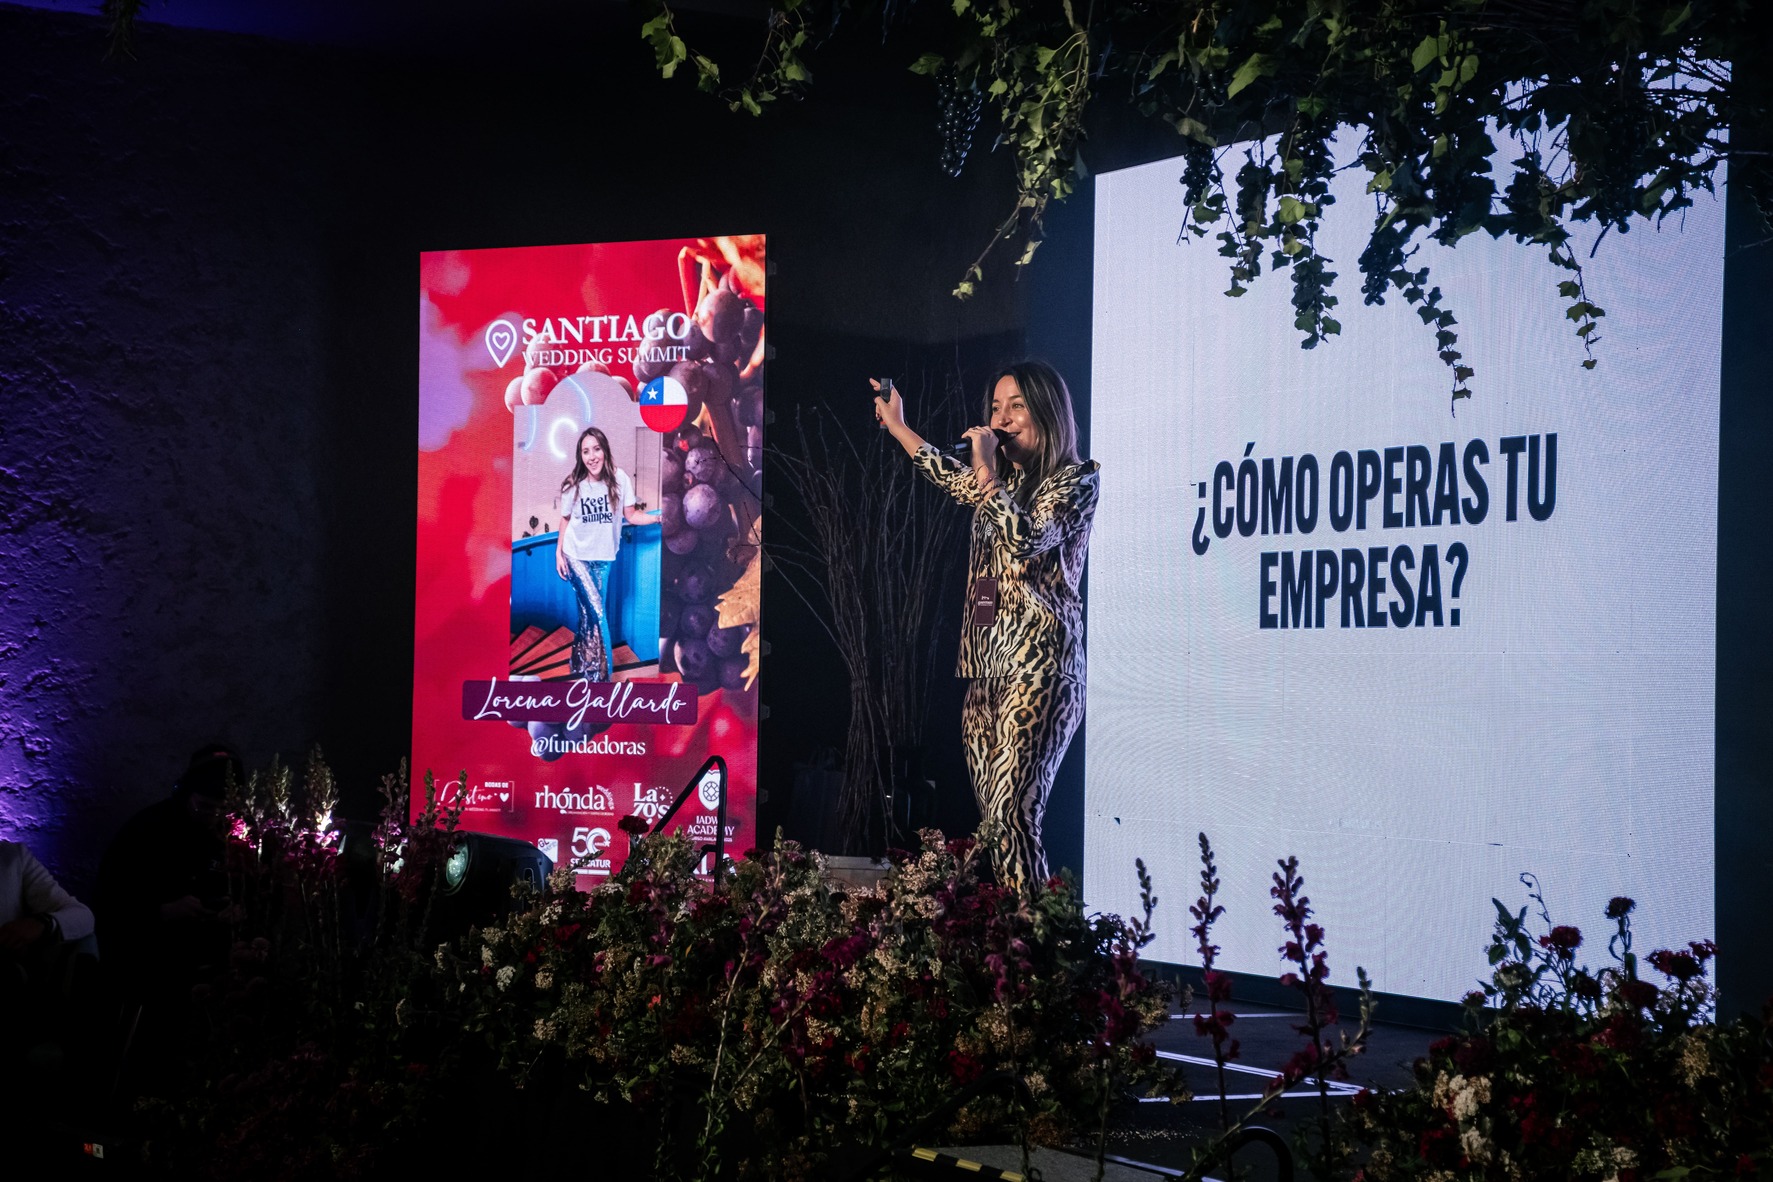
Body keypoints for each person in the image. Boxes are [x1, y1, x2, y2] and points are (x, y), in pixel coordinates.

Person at [873, 362, 1099, 891]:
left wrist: (986, 474)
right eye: (996, 408)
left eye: (1016, 406)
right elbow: (948, 476)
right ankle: (1017, 929)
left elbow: (1025, 538)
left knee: (1013, 815)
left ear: (1047, 412)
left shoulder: (1076, 479)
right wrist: (899, 426)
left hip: (1041, 667)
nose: (1001, 419)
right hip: (986, 672)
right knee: (997, 828)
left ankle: (1034, 936)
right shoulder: (1000, 482)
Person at [95, 744, 241, 988]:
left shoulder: (241, 832)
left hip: (220, 965)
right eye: (205, 806)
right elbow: (108, 901)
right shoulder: (147, 829)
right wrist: (163, 911)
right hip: (154, 963)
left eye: (224, 809)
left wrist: (240, 910)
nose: (215, 816)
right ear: (185, 793)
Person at [554, 426, 655, 681]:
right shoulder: (573, 485)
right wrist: (558, 553)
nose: (592, 457)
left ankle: (579, 662)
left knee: (587, 614)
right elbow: (565, 519)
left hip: (604, 559)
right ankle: (601, 679)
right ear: (580, 456)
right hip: (576, 555)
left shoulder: (620, 479)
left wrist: (658, 518)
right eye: (585, 451)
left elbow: (631, 515)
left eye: (596, 449)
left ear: (605, 450)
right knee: (598, 614)